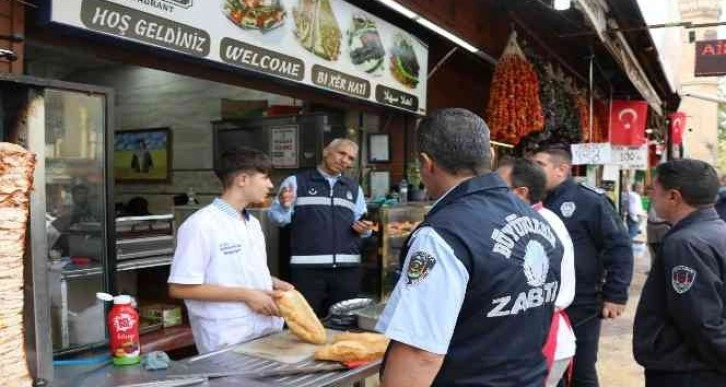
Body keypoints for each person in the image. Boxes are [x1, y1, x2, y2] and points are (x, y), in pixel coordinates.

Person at [376, 108, 564, 386]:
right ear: (489, 155)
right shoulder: (539, 223)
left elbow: (419, 353)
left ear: (427, 164)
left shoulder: (442, 237)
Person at [167, 146, 294, 354]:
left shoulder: (251, 223)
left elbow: (237, 269)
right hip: (227, 337)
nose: (270, 185)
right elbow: (180, 288)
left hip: (266, 331)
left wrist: (273, 282)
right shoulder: (201, 224)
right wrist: (247, 295)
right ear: (242, 179)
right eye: (265, 178)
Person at [532, 144, 633, 387]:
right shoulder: (532, 200)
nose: (533, 170)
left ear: (561, 169)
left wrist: (616, 294)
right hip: (542, 301)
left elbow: (618, 246)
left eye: (540, 165)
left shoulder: (588, 200)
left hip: (581, 302)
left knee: (579, 370)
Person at [633, 159, 726, 386]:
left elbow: (701, 321)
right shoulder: (716, 231)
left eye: (654, 189)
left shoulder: (685, 243)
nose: (651, 195)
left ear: (674, 196)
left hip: (687, 370)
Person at [268, 138, 373, 317]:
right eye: (341, 153)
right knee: (305, 323)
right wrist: (285, 207)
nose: (345, 161)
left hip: (347, 270)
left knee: (344, 324)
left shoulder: (354, 189)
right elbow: (278, 219)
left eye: (350, 158)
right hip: (307, 270)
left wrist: (365, 229)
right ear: (326, 151)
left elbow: (364, 227)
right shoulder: (296, 182)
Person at [498, 158, 576, 387]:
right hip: (538, 333)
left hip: (539, 334)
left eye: (499, 187)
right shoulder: (542, 218)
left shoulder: (533, 223)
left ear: (521, 193)